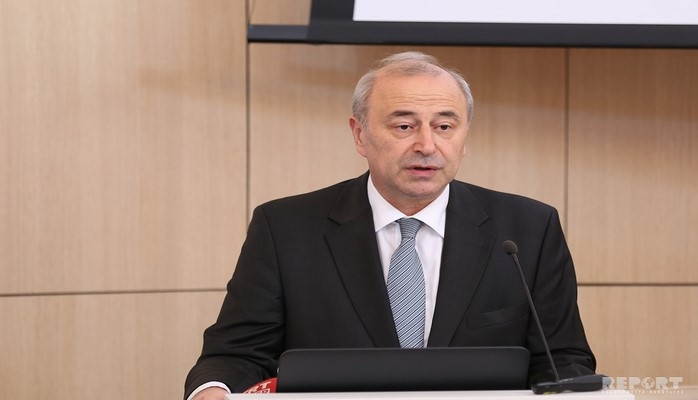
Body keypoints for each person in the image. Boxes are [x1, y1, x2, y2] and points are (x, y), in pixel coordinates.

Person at [184, 51, 596, 400]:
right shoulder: (285, 228)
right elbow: (237, 354)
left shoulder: (528, 229)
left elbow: (561, 359)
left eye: (444, 126)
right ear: (359, 135)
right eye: (404, 126)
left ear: (464, 138)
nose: (427, 145)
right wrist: (213, 389)